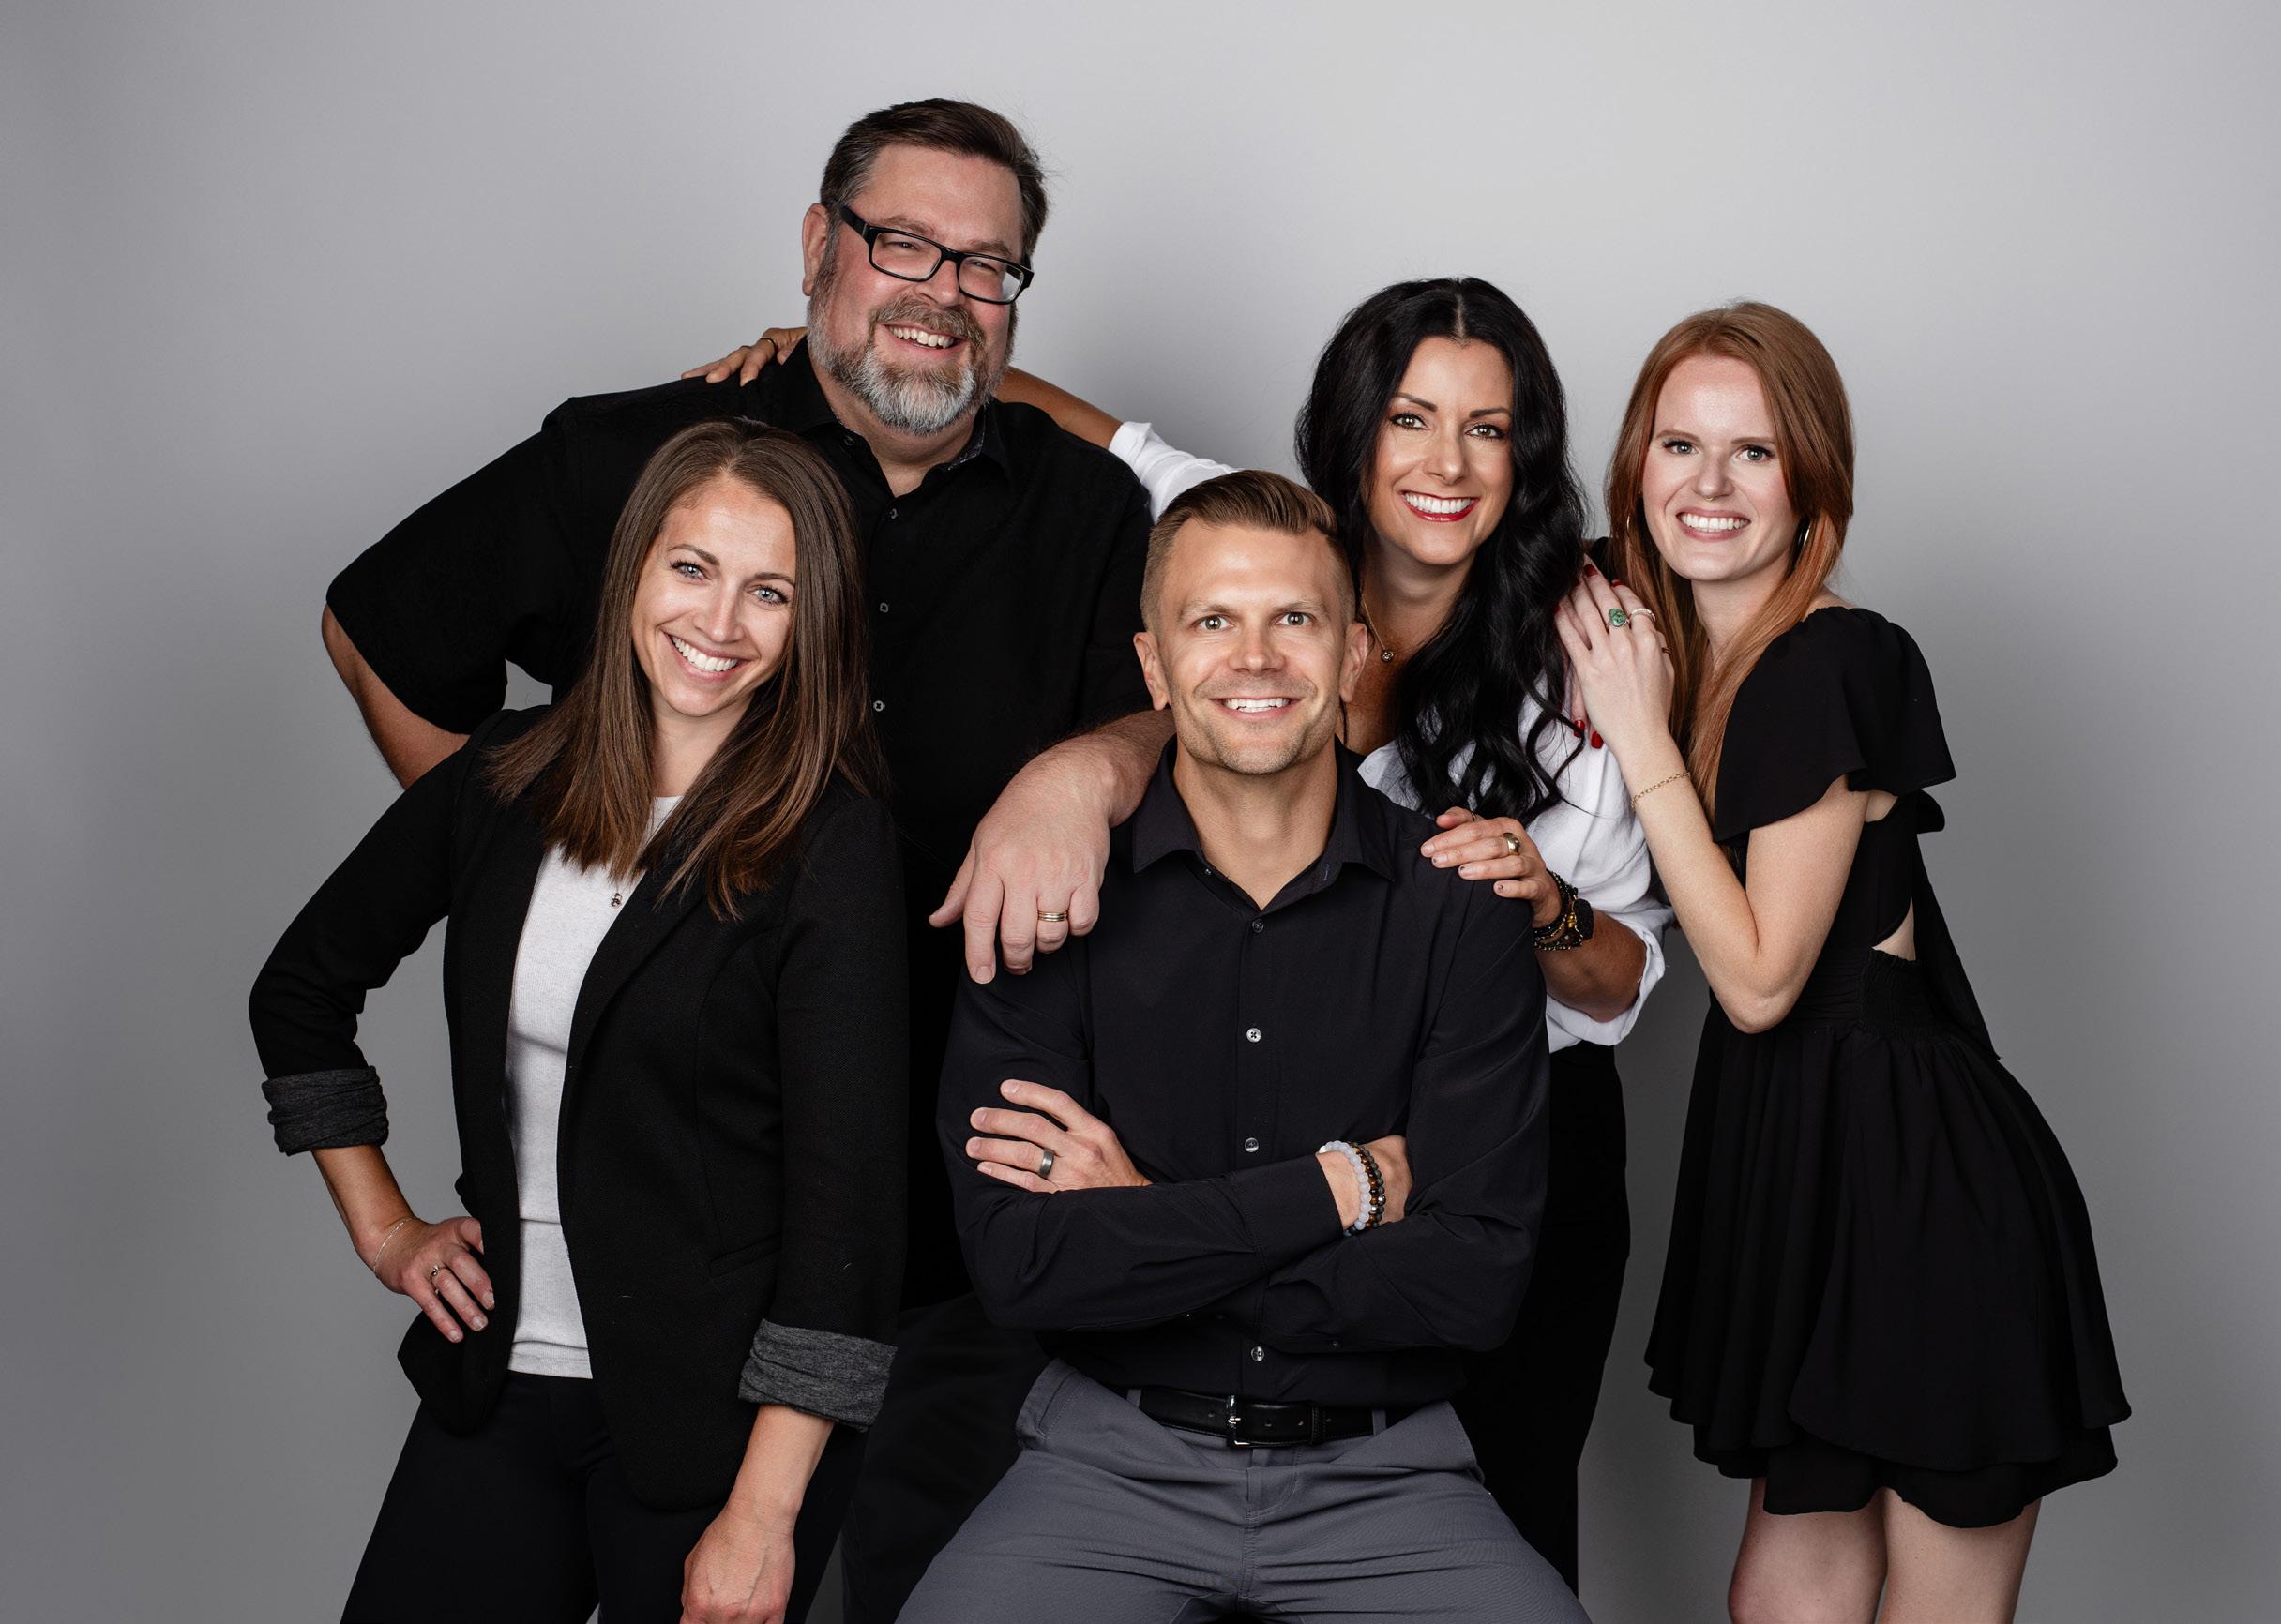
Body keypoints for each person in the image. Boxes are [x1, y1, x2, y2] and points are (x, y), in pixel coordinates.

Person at [324, 99, 1169, 1618]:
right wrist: (536, 874)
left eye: (984, 265)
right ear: (816, 245)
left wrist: (1092, 762)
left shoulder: (1090, 511)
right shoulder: (638, 459)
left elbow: (1227, 699)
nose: (940, 290)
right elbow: (378, 626)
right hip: (648, 1241)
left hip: (952, 1238)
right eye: (900, 242)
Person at [692, 275, 1669, 1586]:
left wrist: (1540, 905)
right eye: (1409, 418)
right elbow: (1040, 412)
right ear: (1351, 431)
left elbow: (1614, 990)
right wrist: (825, 359)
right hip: (1260, 1096)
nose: (1445, 462)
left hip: (1493, 1119)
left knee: (1496, 1505)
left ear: (1524, 455)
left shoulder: (1577, 649)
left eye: (1486, 429)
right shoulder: (1247, 535)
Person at [899, 469, 1589, 1622]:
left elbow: (1470, 1286)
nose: (1255, 658)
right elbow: (1024, 1265)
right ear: (1153, 665)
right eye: (1212, 621)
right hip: (1106, 1462)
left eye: (1295, 619)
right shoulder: (1048, 894)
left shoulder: (1461, 908)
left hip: (1387, 1475)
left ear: (1354, 656)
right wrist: (1342, 1188)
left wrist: (1143, 1221)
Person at [249, 420, 905, 1622]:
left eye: (770, 592)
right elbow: (298, 992)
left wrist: (764, 1517)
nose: (719, 622)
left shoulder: (834, 843)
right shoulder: (506, 776)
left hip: (722, 1433)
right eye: (692, 568)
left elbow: (846, 1218)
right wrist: (386, 1229)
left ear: (811, 622)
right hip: (496, 1384)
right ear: (633, 569)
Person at [1560, 303, 2129, 1624]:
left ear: (1810, 481)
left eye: (1751, 453)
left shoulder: (1832, 660)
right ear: (1635, 468)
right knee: (1783, 1598)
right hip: (1798, 1175)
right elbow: (1420, 542)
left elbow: (1760, 981)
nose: (1707, 485)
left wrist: (1639, 740)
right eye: (1678, 446)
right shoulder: (1662, 639)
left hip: (1912, 1184)